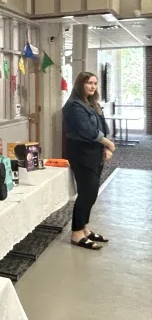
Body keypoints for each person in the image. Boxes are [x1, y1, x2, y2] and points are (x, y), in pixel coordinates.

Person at [62, 71, 115, 251]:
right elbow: (87, 131)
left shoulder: (92, 103)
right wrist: (108, 143)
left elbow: (103, 126)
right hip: (81, 152)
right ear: (80, 85)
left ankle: (84, 227)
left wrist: (105, 147)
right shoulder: (74, 106)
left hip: (95, 152)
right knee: (86, 193)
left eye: (95, 83)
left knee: (92, 193)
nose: (92, 86)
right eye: (89, 83)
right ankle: (76, 233)